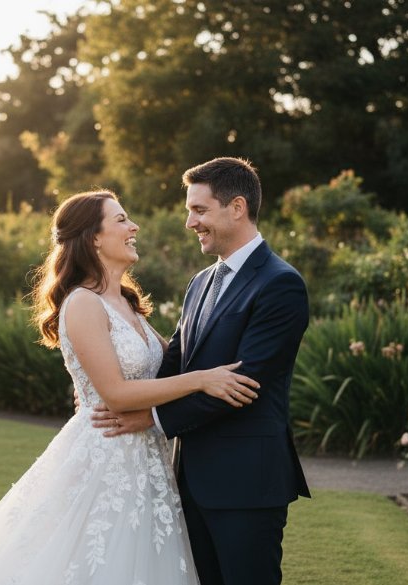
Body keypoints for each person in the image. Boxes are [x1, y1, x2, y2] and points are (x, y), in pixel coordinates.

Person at [0, 190, 261, 584]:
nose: (133, 227)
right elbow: (115, 393)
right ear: (93, 237)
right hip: (105, 456)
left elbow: (165, 370)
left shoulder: (128, 306)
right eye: (121, 220)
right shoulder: (82, 303)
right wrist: (204, 380)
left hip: (147, 460)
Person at [92, 157, 311, 585]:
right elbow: (176, 363)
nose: (190, 222)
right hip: (189, 479)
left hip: (246, 482)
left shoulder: (280, 284)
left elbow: (243, 385)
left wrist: (151, 418)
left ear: (237, 207)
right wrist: (117, 387)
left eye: (199, 210)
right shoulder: (201, 282)